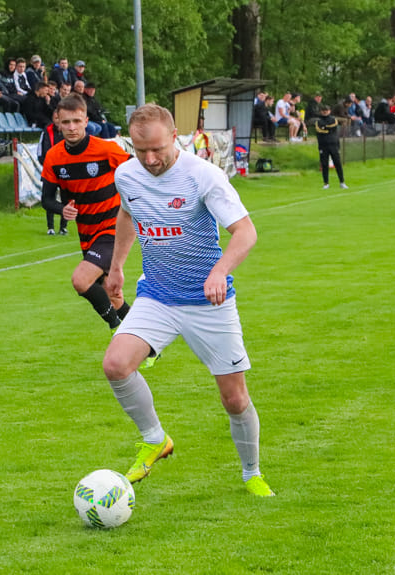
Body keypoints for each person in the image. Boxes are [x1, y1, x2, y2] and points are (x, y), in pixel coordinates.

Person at [104, 103, 274, 497]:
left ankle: (251, 473)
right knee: (115, 364)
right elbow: (127, 216)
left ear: (175, 136)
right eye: (141, 150)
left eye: (158, 150)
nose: (150, 159)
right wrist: (116, 268)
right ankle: (155, 439)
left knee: (234, 398)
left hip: (208, 302)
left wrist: (219, 271)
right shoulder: (127, 174)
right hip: (158, 295)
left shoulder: (203, 176)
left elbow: (245, 232)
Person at [40, 93, 133, 331]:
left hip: (112, 229)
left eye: (77, 121)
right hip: (87, 234)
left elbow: (136, 172)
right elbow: (47, 200)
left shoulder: (106, 149)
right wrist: (63, 209)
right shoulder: (54, 156)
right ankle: (151, 346)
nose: (71, 127)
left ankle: (117, 331)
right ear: (57, 123)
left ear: (86, 121)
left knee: (81, 280)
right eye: (66, 122)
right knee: (113, 296)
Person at [37, 109, 67, 236]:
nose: (57, 120)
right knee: (49, 198)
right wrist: (47, 166)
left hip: (65, 170)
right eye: (55, 117)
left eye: (59, 117)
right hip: (50, 170)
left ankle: (63, 227)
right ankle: (50, 227)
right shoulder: (46, 131)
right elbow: (40, 152)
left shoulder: (68, 132)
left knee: (66, 198)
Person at [313, 105, 347, 190]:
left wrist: (325, 127)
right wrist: (326, 129)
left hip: (333, 144)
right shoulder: (318, 121)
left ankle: (342, 182)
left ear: (329, 111)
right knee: (324, 164)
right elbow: (319, 130)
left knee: (338, 163)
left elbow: (333, 127)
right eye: (323, 110)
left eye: (326, 110)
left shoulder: (333, 119)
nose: (325, 112)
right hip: (323, 145)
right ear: (321, 111)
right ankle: (326, 183)